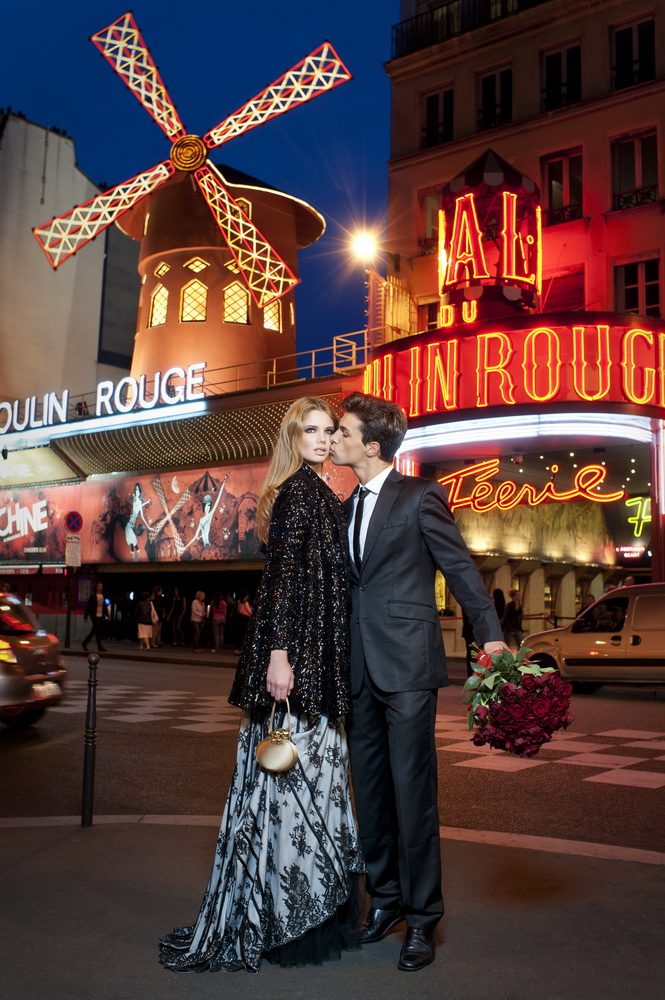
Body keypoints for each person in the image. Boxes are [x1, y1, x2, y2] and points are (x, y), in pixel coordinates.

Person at [160, 396, 363, 973]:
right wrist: (278, 656)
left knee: (303, 785)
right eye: (311, 430)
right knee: (292, 785)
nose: (322, 439)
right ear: (293, 437)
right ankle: (286, 919)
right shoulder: (298, 492)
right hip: (296, 662)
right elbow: (280, 581)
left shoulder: (321, 491)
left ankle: (294, 910)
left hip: (316, 659)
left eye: (328, 430)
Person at [329, 391, 505, 973]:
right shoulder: (345, 506)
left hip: (407, 666)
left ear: (371, 445)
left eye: (344, 431)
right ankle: (384, 901)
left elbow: (460, 568)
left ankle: (423, 919)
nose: (335, 438)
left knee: (413, 795)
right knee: (370, 794)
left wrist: (491, 636)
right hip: (359, 669)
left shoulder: (419, 495)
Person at [82, 581, 108, 653]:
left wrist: (107, 615)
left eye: (101, 586)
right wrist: (85, 616)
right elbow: (88, 607)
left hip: (100, 615)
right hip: (94, 615)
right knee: (97, 631)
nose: (100, 587)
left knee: (94, 631)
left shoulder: (103, 596)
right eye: (98, 586)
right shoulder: (93, 597)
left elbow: (104, 606)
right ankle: (100, 647)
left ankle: (84, 643)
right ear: (96, 587)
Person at [233, 590, 252, 654]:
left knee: (238, 633)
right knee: (243, 634)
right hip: (245, 618)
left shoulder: (238, 601)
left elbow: (238, 610)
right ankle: (241, 649)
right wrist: (251, 610)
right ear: (245, 596)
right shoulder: (245, 602)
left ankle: (236, 649)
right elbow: (248, 611)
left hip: (239, 617)